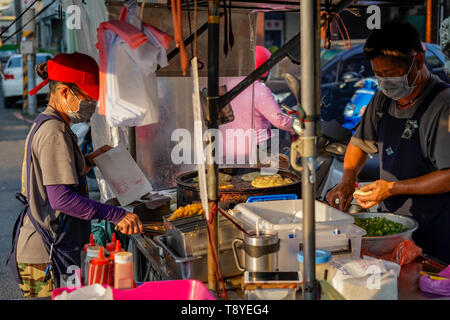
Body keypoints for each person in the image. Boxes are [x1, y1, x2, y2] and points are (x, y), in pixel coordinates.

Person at [6, 52, 143, 298]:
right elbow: (61, 199)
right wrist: (116, 215)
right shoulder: (54, 132)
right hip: (45, 255)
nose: (91, 103)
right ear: (65, 92)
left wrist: (91, 160)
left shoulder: (53, 124)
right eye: (87, 96)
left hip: (50, 247)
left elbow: (58, 176)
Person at [326, 22, 450, 264]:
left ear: (418, 61)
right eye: (379, 74)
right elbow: (359, 143)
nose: (385, 82)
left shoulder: (443, 107)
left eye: (392, 74)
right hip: (392, 230)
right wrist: (347, 181)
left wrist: (393, 188)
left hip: (436, 233)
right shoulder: (382, 99)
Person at [219, 46, 294, 167]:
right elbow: (280, 121)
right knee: (286, 159)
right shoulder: (260, 89)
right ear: (265, 69)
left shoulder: (228, 84)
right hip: (256, 149)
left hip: (227, 148)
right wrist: (295, 124)